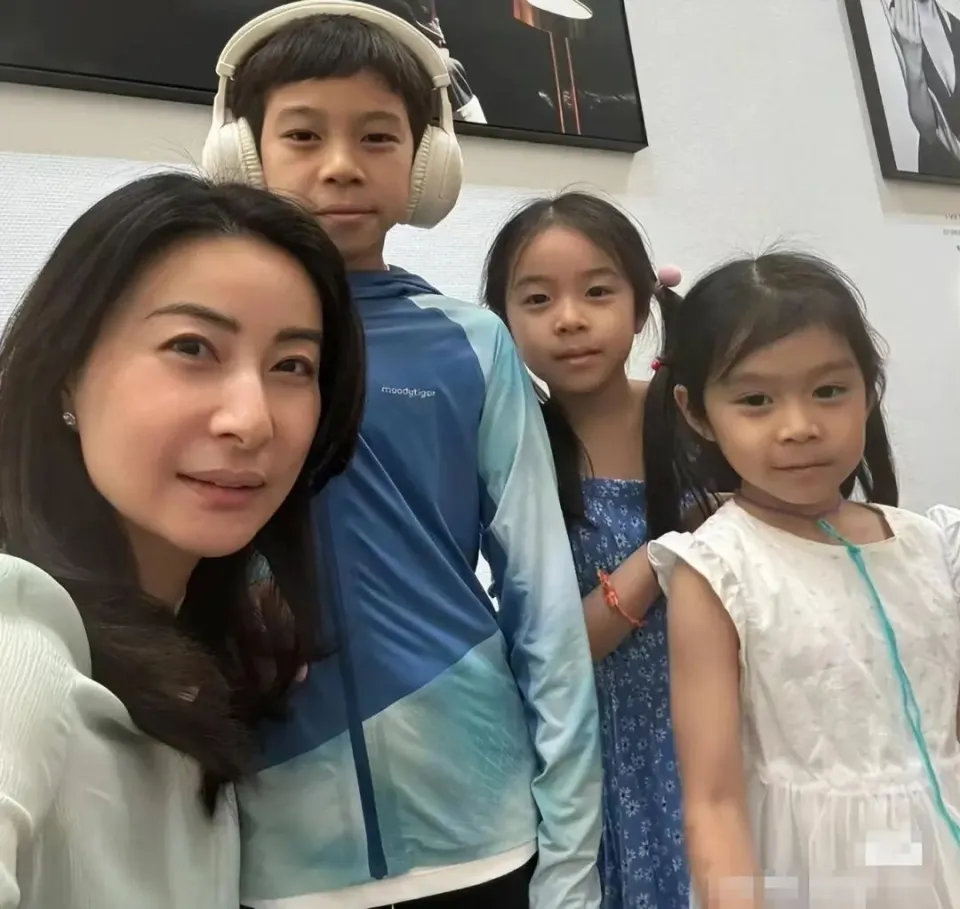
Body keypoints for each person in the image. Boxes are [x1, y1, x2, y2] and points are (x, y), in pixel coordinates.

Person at [200, 4, 603, 909]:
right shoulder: (208, 344)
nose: (342, 164)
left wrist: (571, 858)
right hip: (277, 851)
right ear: (245, 152)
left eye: (378, 136)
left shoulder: (474, 344)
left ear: (425, 161)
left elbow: (543, 605)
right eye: (303, 134)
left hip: (484, 830)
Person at [0, 172, 365, 909]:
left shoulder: (196, 653)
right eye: (192, 347)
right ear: (67, 374)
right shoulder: (22, 646)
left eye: (291, 365)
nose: (251, 420)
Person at [642, 251, 960, 908]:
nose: (799, 427)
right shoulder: (718, 569)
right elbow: (713, 802)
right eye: (756, 400)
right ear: (697, 412)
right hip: (811, 879)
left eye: (829, 391)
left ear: (869, 389)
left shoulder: (931, 545)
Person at [482, 191, 691, 909]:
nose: (569, 318)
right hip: (585, 756)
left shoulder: (697, 421)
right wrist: (659, 557)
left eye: (598, 291)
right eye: (537, 299)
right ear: (504, 323)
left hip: (715, 736)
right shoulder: (514, 450)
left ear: (639, 306)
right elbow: (547, 648)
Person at [883, 0, 960, 177]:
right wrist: (912, 56)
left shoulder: (956, 26)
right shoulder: (899, 21)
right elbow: (928, 131)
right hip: (937, 177)